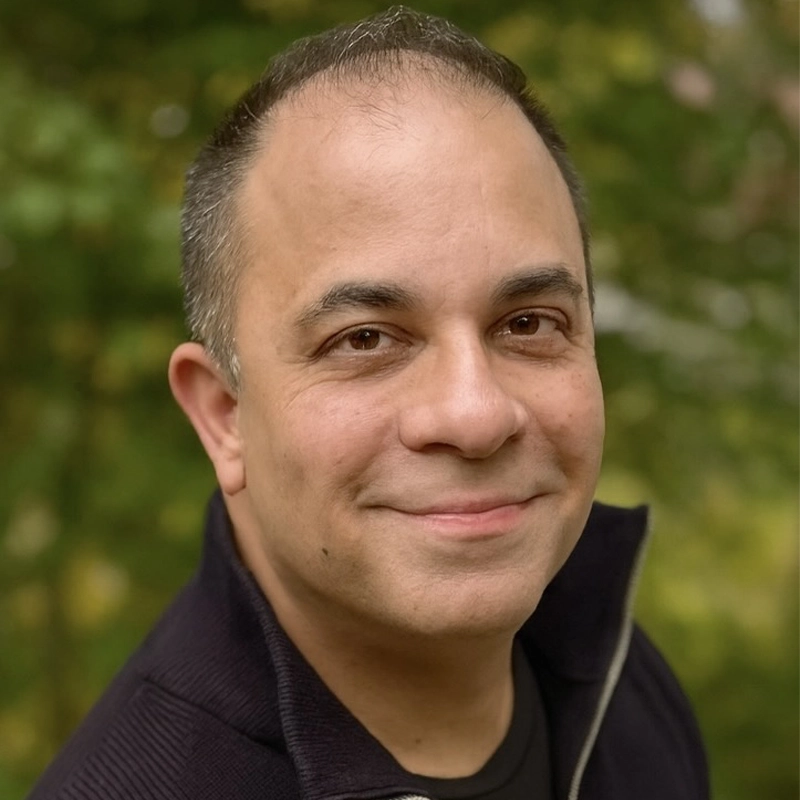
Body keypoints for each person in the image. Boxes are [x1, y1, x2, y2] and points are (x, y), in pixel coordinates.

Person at [28, 6, 709, 799]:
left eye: (528, 323)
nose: (475, 415)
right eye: (365, 339)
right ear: (224, 415)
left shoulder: (613, 669)